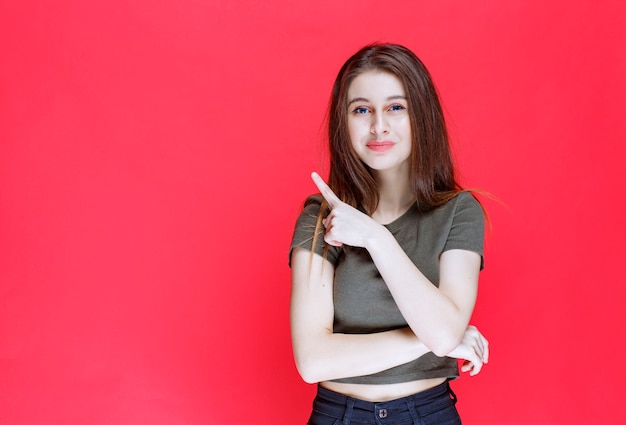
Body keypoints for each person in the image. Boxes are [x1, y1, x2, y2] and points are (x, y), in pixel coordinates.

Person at [289, 43, 489, 425]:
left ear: (422, 116)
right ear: (343, 122)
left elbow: (446, 331)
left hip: (428, 414)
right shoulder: (322, 215)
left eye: (396, 107)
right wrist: (433, 340)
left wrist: (375, 237)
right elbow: (312, 361)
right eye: (361, 110)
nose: (378, 125)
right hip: (338, 415)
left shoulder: (459, 212)